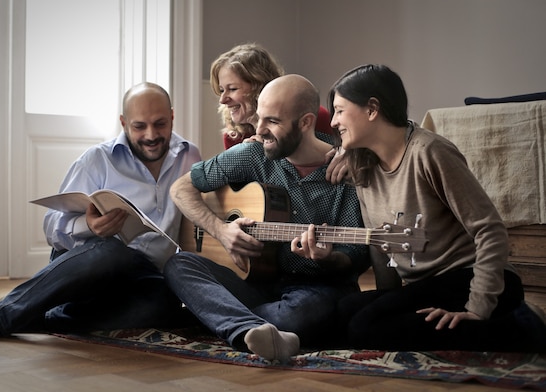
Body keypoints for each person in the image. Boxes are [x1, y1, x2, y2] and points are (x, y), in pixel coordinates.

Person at [0, 82, 202, 343]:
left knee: (165, 304)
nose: (151, 135)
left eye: (160, 123)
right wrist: (90, 226)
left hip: (145, 276)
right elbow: (51, 227)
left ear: (172, 116)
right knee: (112, 251)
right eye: (140, 126)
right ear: (124, 122)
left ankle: (45, 317)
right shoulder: (96, 160)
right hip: (90, 268)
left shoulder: (190, 155)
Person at [321, 64, 546, 352]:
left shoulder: (430, 152)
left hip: (474, 277)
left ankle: (522, 327)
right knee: (347, 311)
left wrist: (477, 308)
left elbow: (490, 230)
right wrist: (385, 302)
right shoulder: (363, 165)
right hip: (427, 285)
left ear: (372, 109)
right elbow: (381, 244)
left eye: (340, 110)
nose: (333, 122)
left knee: (365, 328)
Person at [164, 74, 370, 362]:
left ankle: (225, 318)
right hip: (255, 283)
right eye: (259, 118)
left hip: (315, 288)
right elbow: (181, 188)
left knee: (305, 315)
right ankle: (253, 328)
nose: (258, 130)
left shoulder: (346, 172)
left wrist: (328, 257)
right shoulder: (252, 154)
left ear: (306, 123)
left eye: (272, 121)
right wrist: (221, 231)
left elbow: (357, 255)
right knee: (179, 264)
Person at [210, 43, 333, 149]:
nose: (223, 100)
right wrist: (247, 158)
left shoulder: (315, 117)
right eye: (221, 90)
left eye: (232, 89)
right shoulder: (233, 136)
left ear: (259, 87)